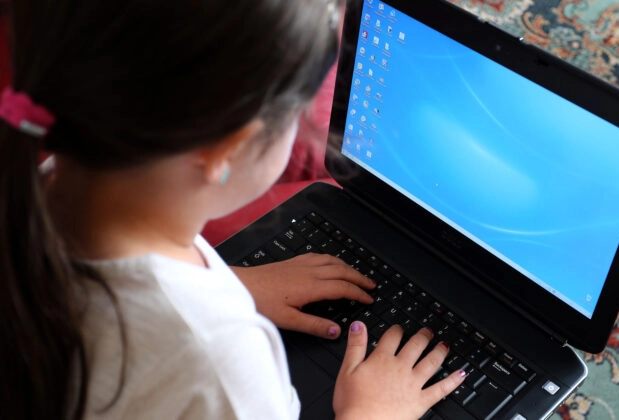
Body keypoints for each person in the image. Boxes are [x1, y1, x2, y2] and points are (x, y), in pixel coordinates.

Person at [0, 0, 467, 419]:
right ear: (228, 149)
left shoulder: (44, 186)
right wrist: (371, 413)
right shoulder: (223, 355)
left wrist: (232, 282)